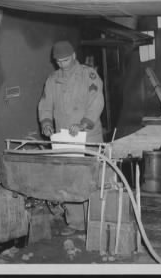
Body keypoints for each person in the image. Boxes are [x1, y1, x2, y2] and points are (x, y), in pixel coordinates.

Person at [38, 40, 105, 234]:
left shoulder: (89, 75)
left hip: (88, 136)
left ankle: (94, 221)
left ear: (74, 56)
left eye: (66, 60)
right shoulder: (52, 79)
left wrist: (84, 123)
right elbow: (45, 104)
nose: (62, 64)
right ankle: (75, 222)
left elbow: (96, 102)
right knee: (69, 179)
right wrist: (46, 123)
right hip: (64, 138)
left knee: (90, 179)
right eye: (58, 62)